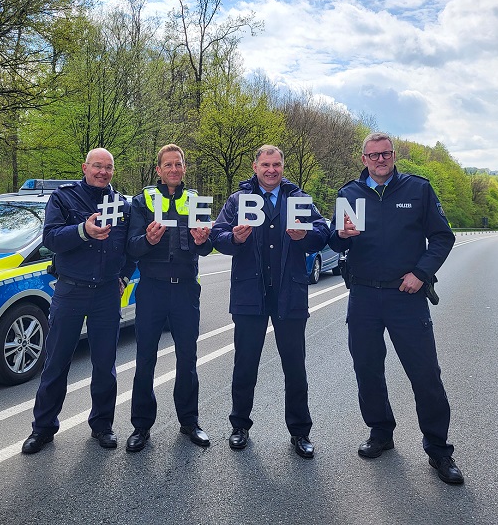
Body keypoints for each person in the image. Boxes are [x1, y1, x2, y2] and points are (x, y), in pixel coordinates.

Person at [328, 132, 463, 484]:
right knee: (367, 370)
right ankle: (381, 432)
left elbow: (443, 237)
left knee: (425, 374)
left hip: (407, 296)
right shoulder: (348, 194)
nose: (380, 160)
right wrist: (340, 236)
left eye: (385, 154)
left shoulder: (418, 189)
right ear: (364, 160)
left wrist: (421, 273)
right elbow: (332, 239)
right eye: (373, 155)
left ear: (394, 155)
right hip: (363, 297)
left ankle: (438, 450)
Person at [211, 145, 330, 458]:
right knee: (245, 365)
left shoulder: (299, 199)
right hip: (250, 293)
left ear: (282, 166)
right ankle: (239, 426)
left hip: (289, 293)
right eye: (265, 164)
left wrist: (303, 237)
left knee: (295, 367)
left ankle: (300, 432)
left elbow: (322, 234)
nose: (271, 170)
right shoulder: (238, 201)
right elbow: (218, 237)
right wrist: (234, 238)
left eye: (276, 164)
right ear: (255, 166)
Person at [22, 148, 135, 454]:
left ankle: (102, 426)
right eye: (97, 166)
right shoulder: (64, 198)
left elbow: (131, 248)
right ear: (85, 167)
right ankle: (43, 429)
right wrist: (83, 230)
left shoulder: (123, 204)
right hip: (70, 291)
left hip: (107, 295)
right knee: (56, 363)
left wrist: (123, 278)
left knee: (104, 366)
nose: (103, 172)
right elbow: (51, 238)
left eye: (108, 167)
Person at [124, 144, 213, 452]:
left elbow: (205, 248)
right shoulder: (142, 201)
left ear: (184, 168)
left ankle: (189, 422)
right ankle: (141, 426)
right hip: (152, 288)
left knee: (187, 358)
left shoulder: (195, 201)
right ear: (158, 169)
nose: (174, 169)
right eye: (168, 165)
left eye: (179, 164)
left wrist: (204, 242)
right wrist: (147, 239)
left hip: (186, 289)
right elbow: (132, 247)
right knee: (145, 358)